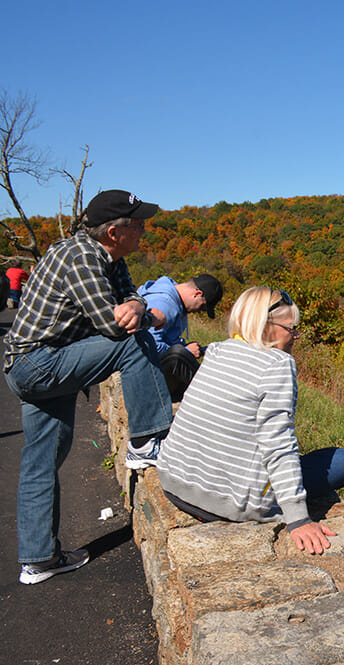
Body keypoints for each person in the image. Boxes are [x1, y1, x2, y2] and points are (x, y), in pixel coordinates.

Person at [3, 189, 174, 584]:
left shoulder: (110, 258)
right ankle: (147, 442)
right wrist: (150, 316)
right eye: (138, 224)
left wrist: (136, 305)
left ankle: (40, 559)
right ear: (114, 232)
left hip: (41, 361)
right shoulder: (82, 257)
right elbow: (114, 327)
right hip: (38, 364)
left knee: (42, 460)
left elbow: (127, 301)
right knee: (134, 343)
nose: (143, 230)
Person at [157, 287, 344, 555]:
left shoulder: (217, 351)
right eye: (291, 328)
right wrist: (298, 519)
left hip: (173, 482)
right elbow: (278, 445)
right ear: (266, 326)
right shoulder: (277, 365)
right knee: (343, 461)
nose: (295, 336)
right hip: (230, 502)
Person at [137, 274, 223, 401]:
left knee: (181, 353)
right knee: (178, 354)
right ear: (197, 294)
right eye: (202, 307)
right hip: (144, 373)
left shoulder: (171, 294)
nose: (199, 311)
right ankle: (217, 399)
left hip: (150, 367)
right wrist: (186, 352)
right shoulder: (164, 304)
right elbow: (147, 344)